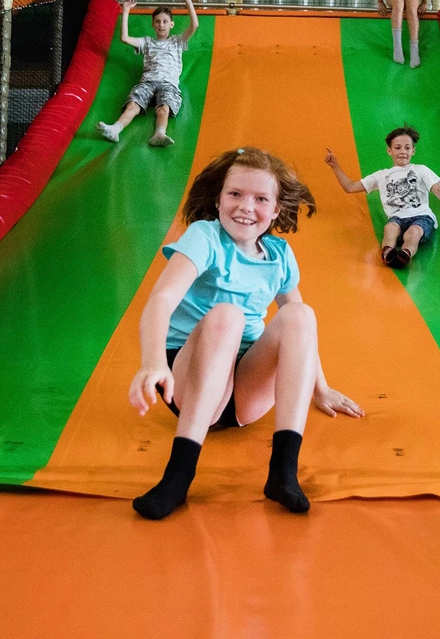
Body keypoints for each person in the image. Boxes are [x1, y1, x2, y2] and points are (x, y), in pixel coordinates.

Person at [128, 147, 364, 520]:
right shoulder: (204, 237)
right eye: (235, 194)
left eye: (260, 199)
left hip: (243, 395)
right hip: (190, 380)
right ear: (218, 199)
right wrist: (153, 363)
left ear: (275, 210)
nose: (245, 207)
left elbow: (299, 332)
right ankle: (178, 477)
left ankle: (283, 473)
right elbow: (162, 300)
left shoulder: (278, 254)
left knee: (300, 313)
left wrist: (322, 388)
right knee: (227, 315)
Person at [325, 127, 440, 269]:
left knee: (413, 232)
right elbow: (350, 187)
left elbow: (436, 190)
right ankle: (388, 253)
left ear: (413, 151)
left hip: (421, 216)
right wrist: (335, 166)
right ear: (389, 151)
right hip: (396, 218)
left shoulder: (420, 170)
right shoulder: (382, 175)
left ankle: (405, 254)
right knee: (390, 228)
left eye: (407, 148)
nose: (403, 151)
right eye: (398, 147)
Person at [97, 0, 198, 147]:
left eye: (165, 21)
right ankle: (115, 129)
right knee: (133, 105)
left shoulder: (177, 42)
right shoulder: (147, 42)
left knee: (163, 108)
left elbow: (194, 26)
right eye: (157, 21)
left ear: (171, 24)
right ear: (153, 24)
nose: (161, 25)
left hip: (168, 84)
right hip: (148, 82)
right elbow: (124, 38)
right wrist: (126, 10)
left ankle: (159, 134)